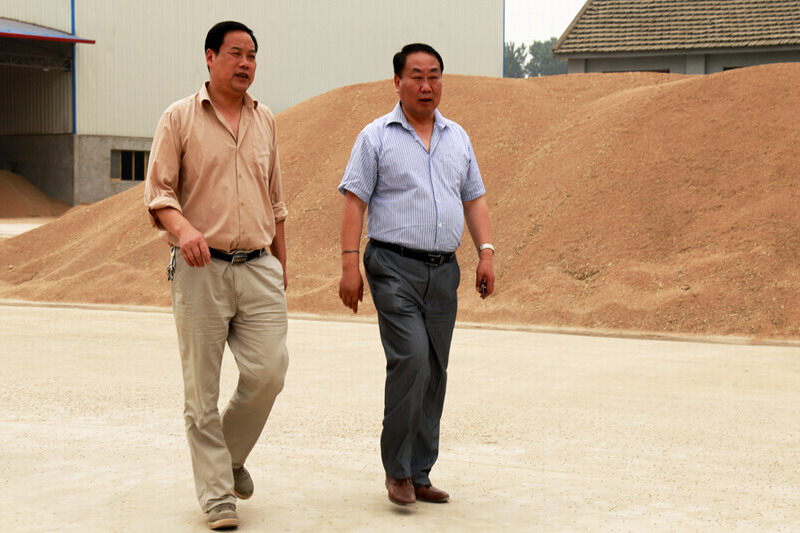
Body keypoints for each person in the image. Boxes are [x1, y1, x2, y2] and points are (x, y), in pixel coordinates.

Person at [144, 21, 289, 530]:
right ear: (210, 57)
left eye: (252, 55)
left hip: (259, 266)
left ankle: (227, 458)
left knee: (269, 372)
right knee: (201, 391)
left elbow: (276, 200)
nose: (245, 63)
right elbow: (159, 193)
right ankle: (217, 497)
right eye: (235, 53)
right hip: (200, 269)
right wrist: (184, 230)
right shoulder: (179, 117)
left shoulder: (265, 119)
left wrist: (281, 265)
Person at [337, 43, 496, 506]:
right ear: (398, 82)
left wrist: (486, 252)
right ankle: (398, 471)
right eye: (417, 76)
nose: (427, 86)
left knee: (435, 370)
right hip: (392, 266)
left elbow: (474, 199)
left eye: (434, 76)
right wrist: (349, 265)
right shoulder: (375, 137)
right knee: (412, 359)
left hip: (444, 271)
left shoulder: (457, 137)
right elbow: (355, 203)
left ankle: (421, 472)